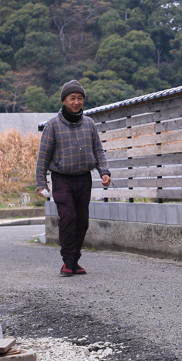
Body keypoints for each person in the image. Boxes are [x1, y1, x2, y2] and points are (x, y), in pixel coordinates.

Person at [35, 80, 111, 276]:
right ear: (64, 100)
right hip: (62, 179)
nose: (76, 102)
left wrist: (104, 172)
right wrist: (41, 182)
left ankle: (74, 260)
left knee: (82, 221)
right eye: (72, 98)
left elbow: (98, 151)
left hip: (83, 178)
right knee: (68, 217)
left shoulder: (89, 124)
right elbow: (43, 156)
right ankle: (68, 261)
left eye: (80, 98)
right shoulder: (52, 125)